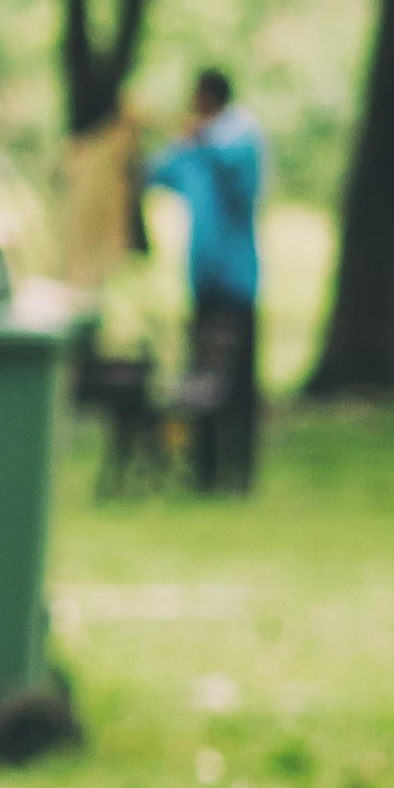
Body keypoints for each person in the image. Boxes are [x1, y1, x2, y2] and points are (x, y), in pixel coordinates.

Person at [148, 67, 269, 496]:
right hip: (202, 281)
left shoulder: (240, 135)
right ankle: (205, 470)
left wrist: (198, 136)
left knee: (236, 382)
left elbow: (234, 163)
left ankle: (239, 473)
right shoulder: (194, 150)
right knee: (201, 379)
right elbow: (155, 172)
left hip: (238, 279)